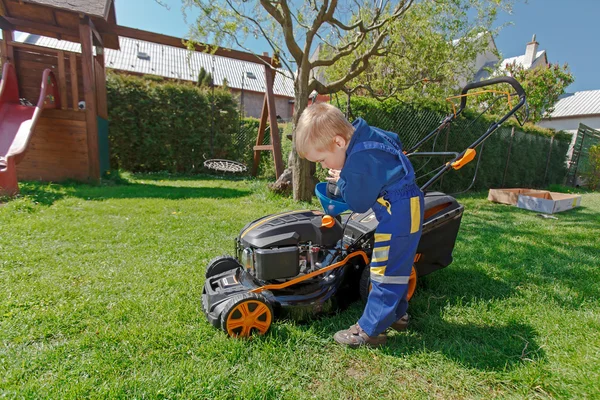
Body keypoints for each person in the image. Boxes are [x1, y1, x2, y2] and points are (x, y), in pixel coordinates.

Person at [295, 103, 424, 348]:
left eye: (323, 159)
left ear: (339, 142)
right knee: (394, 266)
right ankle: (397, 315)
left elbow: (358, 202)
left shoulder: (356, 165)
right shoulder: (364, 132)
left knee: (384, 272)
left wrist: (343, 179)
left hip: (398, 213)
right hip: (409, 206)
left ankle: (369, 331)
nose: (324, 166)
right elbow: (394, 140)